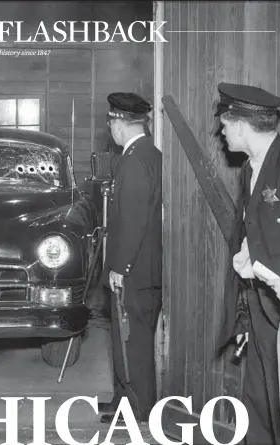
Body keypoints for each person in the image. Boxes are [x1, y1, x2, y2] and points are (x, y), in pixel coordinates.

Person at [216, 82, 280, 444]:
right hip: (259, 306)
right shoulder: (249, 169)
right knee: (259, 397)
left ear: (241, 124)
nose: (222, 131)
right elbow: (249, 240)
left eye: (225, 124)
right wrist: (243, 313)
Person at [99, 92, 162, 423]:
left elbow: (134, 220)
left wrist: (120, 268)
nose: (109, 127)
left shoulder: (134, 160)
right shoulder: (149, 154)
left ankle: (139, 407)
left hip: (134, 269)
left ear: (119, 124)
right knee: (127, 338)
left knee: (133, 340)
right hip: (142, 265)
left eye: (110, 121)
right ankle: (123, 399)